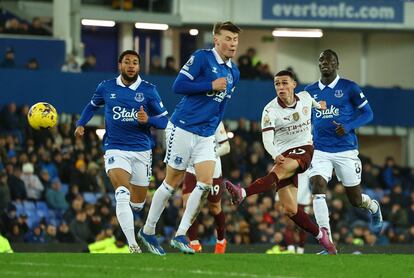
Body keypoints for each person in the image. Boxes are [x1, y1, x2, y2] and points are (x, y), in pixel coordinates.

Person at [138, 21, 241, 255]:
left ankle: (181, 234)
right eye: (227, 38)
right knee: (171, 183)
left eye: (235, 40)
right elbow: (178, 86)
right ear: (216, 40)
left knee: (205, 185)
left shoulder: (234, 71)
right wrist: (210, 84)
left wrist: (214, 129)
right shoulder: (202, 58)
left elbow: (222, 105)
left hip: (206, 135)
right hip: (182, 127)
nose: (232, 44)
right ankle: (148, 230)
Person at [225, 70, 337, 254]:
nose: (281, 87)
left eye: (285, 83)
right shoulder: (270, 110)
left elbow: (315, 105)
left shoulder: (306, 97)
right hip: (283, 153)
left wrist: (321, 106)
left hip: (304, 149)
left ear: (294, 84)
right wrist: (275, 154)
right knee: (290, 210)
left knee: (278, 172)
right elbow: (267, 140)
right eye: (277, 84)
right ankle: (321, 236)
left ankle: (243, 192)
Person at [74, 50, 168, 253]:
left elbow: (164, 121)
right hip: (115, 148)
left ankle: (140, 229)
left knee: (138, 204)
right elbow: (91, 106)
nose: (131, 65)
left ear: (139, 67)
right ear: (120, 65)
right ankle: (132, 244)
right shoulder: (106, 87)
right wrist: (81, 123)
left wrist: (149, 120)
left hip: (142, 151)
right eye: (127, 62)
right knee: (122, 194)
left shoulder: (149, 90)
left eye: (135, 62)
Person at [304, 49, 383, 253]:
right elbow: (305, 119)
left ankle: (373, 206)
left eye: (330, 60)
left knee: (355, 200)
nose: (325, 63)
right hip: (320, 150)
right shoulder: (309, 91)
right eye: (322, 59)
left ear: (337, 65)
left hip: (346, 150)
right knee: (317, 185)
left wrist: (347, 126)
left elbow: (368, 113)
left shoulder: (349, 87)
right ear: (318, 64)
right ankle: (327, 242)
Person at [182, 121, 230, 253]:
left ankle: (221, 240)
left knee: (214, 208)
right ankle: (194, 242)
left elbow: (226, 147)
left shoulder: (215, 120)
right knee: (187, 204)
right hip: (192, 169)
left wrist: (208, 155)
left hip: (212, 169)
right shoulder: (186, 118)